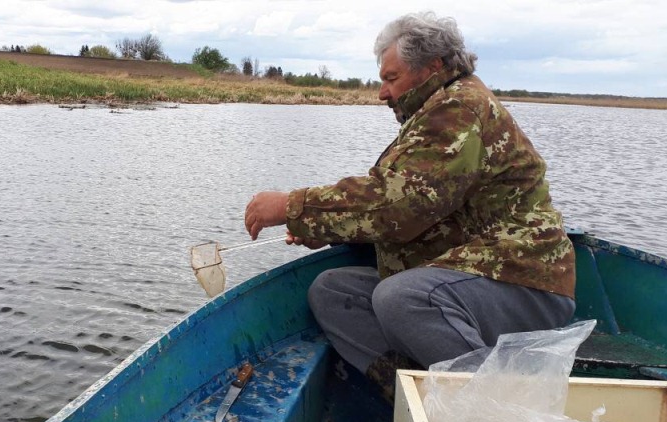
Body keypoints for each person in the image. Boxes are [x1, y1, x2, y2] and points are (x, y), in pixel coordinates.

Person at [243, 12, 576, 401]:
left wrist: (292, 207)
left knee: (400, 297)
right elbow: (426, 210)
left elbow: (400, 204)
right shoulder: (436, 110)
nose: (382, 92)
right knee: (332, 291)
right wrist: (325, 232)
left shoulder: (458, 110)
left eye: (391, 78)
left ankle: (494, 409)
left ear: (432, 67)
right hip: (469, 271)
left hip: (522, 279)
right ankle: (418, 398)